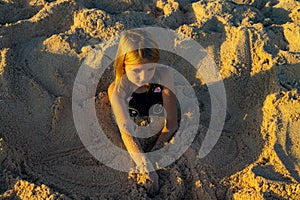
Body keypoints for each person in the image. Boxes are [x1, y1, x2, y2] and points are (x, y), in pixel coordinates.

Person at [107, 29, 178, 195]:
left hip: (157, 129)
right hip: (133, 130)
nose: (143, 76)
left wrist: (155, 155)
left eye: (149, 69)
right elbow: (126, 133)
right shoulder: (117, 91)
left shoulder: (164, 76)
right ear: (123, 66)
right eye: (136, 71)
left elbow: (172, 124)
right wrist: (145, 166)